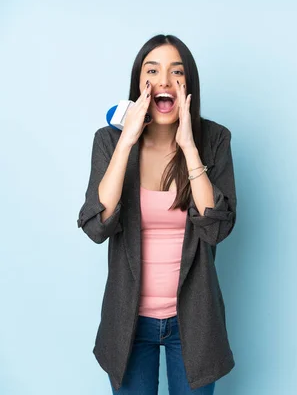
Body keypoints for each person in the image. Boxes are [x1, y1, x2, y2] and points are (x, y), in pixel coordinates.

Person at [77, 34, 237, 394]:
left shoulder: (215, 139)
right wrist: (127, 141)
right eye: (153, 71)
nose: (164, 81)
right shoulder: (109, 140)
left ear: (188, 84)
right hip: (128, 324)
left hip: (193, 323)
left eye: (175, 71)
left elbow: (216, 228)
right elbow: (97, 224)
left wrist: (189, 148)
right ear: (139, 84)